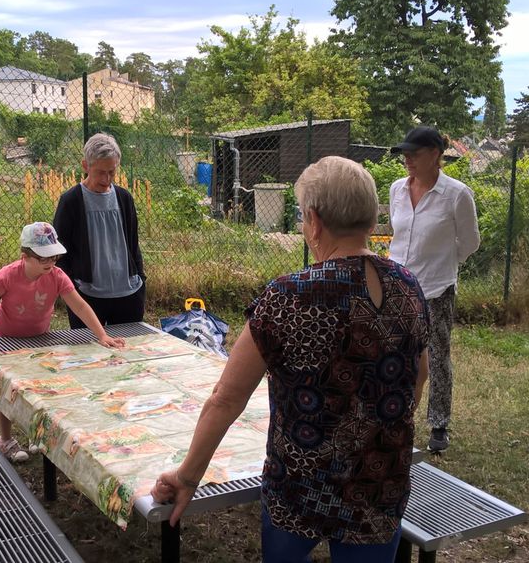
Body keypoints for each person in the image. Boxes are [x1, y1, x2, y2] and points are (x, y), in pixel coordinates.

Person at [151, 156, 430, 563]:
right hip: (379, 486)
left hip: (299, 488)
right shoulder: (408, 286)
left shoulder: (288, 297)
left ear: (314, 222)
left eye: (302, 217)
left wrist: (187, 476)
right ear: (371, 221)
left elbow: (225, 399)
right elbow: (419, 375)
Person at [0, 221, 126, 462]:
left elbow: (79, 305)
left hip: (40, 337)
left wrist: (102, 335)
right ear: (25, 256)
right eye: (43, 258)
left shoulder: (56, 276)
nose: (50, 262)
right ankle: (5, 439)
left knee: (40, 389)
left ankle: (37, 433)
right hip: (5, 336)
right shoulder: (8, 275)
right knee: (6, 388)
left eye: (53, 256)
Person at [388, 126, 480, 452]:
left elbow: (470, 242)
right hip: (397, 288)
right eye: (405, 153)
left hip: (436, 288)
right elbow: (398, 236)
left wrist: (444, 264)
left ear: (436, 155)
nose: (407, 159)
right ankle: (395, 414)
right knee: (395, 353)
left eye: (414, 153)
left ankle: (439, 424)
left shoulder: (457, 195)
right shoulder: (397, 190)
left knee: (438, 356)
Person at [53, 132, 146, 328]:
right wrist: (72, 288)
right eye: (101, 172)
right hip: (86, 297)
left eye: (112, 172)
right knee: (87, 354)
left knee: (129, 355)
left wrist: (140, 280)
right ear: (85, 165)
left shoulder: (124, 198)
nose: (107, 178)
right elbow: (60, 252)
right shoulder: (71, 201)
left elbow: (133, 244)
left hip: (129, 294)